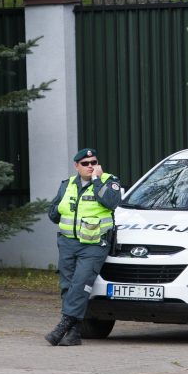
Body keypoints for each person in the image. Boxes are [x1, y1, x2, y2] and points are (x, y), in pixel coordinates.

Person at [45, 148, 121, 346]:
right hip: (68, 243)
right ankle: (74, 333)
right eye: (86, 164)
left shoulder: (109, 181)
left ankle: (62, 326)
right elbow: (53, 212)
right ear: (76, 166)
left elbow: (111, 202)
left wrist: (96, 180)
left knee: (80, 284)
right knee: (67, 287)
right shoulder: (67, 184)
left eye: (94, 162)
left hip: (95, 244)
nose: (90, 166)